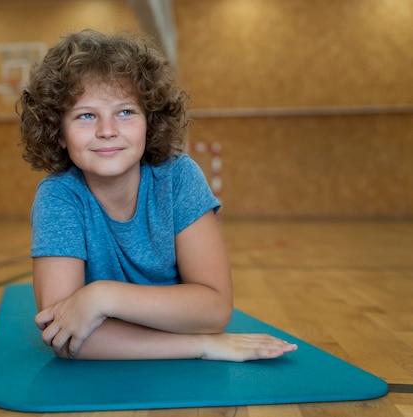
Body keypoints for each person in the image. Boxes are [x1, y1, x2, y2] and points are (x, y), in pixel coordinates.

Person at [17, 29, 297, 361]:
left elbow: (215, 309)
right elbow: (62, 335)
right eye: (86, 115)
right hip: (167, 342)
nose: (107, 130)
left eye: (125, 112)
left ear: (150, 122)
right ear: (59, 133)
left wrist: (102, 297)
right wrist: (200, 345)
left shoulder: (179, 177)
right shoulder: (58, 197)